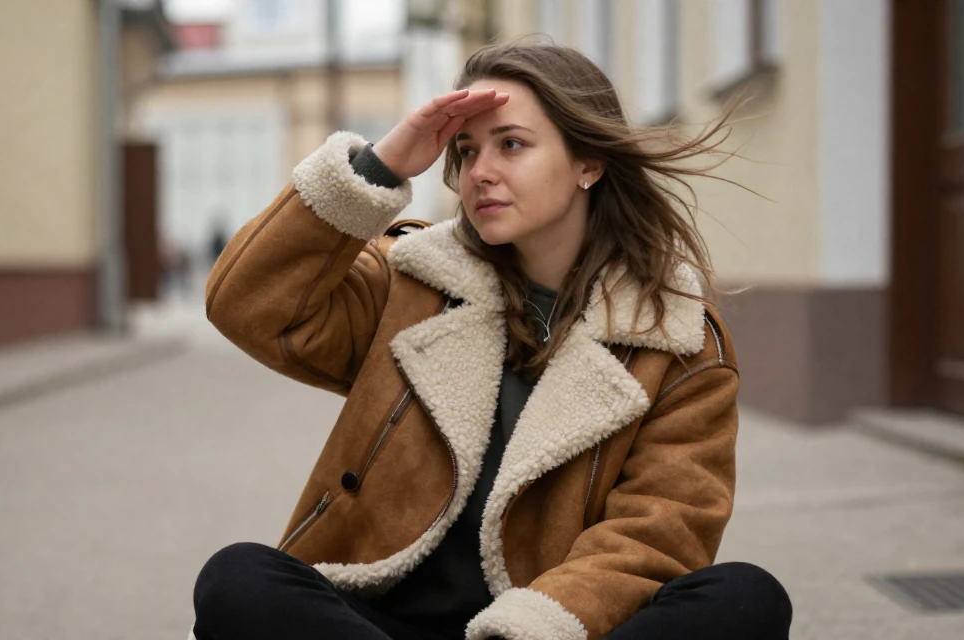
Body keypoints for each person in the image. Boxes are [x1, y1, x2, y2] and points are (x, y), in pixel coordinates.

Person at [193, 42, 792, 640]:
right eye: (466, 150)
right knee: (238, 578)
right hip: (381, 624)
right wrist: (382, 165)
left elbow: (655, 535)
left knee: (745, 597)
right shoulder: (412, 281)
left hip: (551, 628)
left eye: (511, 144)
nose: (479, 172)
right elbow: (247, 305)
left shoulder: (676, 340)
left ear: (588, 163)